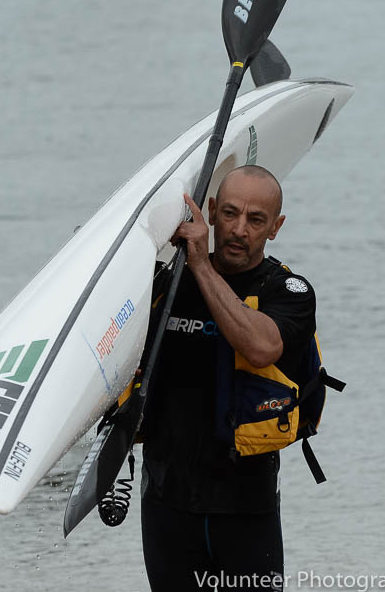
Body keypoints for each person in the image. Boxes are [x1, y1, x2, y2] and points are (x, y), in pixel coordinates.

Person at [140, 165, 316, 591]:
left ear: (275, 227)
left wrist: (201, 264)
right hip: (166, 501)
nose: (239, 229)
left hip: (245, 508)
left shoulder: (288, 291)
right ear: (212, 211)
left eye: (256, 220)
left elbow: (261, 348)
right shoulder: (166, 284)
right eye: (231, 213)